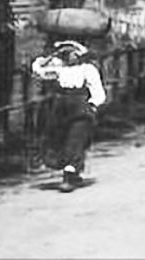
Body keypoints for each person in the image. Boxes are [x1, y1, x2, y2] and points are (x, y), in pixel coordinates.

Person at [30, 40, 107, 192]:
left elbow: (97, 90)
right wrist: (51, 56)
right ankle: (73, 172)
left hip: (80, 107)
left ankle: (69, 176)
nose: (72, 57)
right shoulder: (59, 69)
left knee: (76, 139)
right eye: (67, 53)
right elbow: (38, 70)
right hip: (60, 107)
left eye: (74, 53)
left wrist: (92, 105)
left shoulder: (87, 69)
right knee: (60, 138)